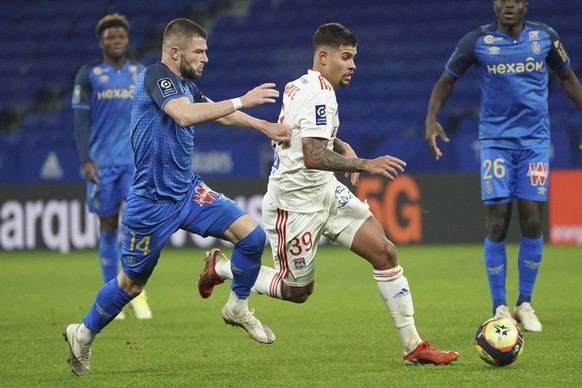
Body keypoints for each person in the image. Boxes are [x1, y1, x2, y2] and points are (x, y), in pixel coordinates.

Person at [198, 22, 459, 366]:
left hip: (325, 190)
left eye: (354, 57)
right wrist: (367, 164)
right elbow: (312, 154)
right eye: (346, 57)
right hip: (295, 205)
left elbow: (303, 133)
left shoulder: (301, 84)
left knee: (384, 252)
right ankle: (224, 268)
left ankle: (413, 345)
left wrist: (341, 143)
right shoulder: (319, 92)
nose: (353, 65)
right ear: (324, 56)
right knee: (297, 292)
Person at [64, 18, 291, 376]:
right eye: (199, 52)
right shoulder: (156, 76)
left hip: (188, 191)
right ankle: (84, 334)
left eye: (205, 51)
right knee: (132, 284)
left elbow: (220, 114)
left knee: (253, 236)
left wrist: (264, 126)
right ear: (175, 52)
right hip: (150, 203)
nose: (205, 58)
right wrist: (242, 99)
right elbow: (184, 116)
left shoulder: (185, 84)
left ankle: (237, 307)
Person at [424, 0, 582, 332]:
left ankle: (525, 303)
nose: (508, 4)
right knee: (497, 221)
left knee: (532, 219)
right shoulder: (477, 41)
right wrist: (431, 119)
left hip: (535, 143)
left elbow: (567, 77)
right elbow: (445, 80)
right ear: (494, 5)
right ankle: (499, 306)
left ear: (525, 4)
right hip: (495, 142)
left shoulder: (545, 38)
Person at [72, 13, 152, 320]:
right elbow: (80, 120)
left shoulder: (141, 73)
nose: (117, 40)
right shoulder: (89, 74)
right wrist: (85, 160)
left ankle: (138, 295)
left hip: (134, 164)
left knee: (138, 229)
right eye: (111, 36)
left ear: (127, 40)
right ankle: (111, 294)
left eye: (121, 36)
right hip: (102, 164)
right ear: (101, 41)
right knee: (107, 226)